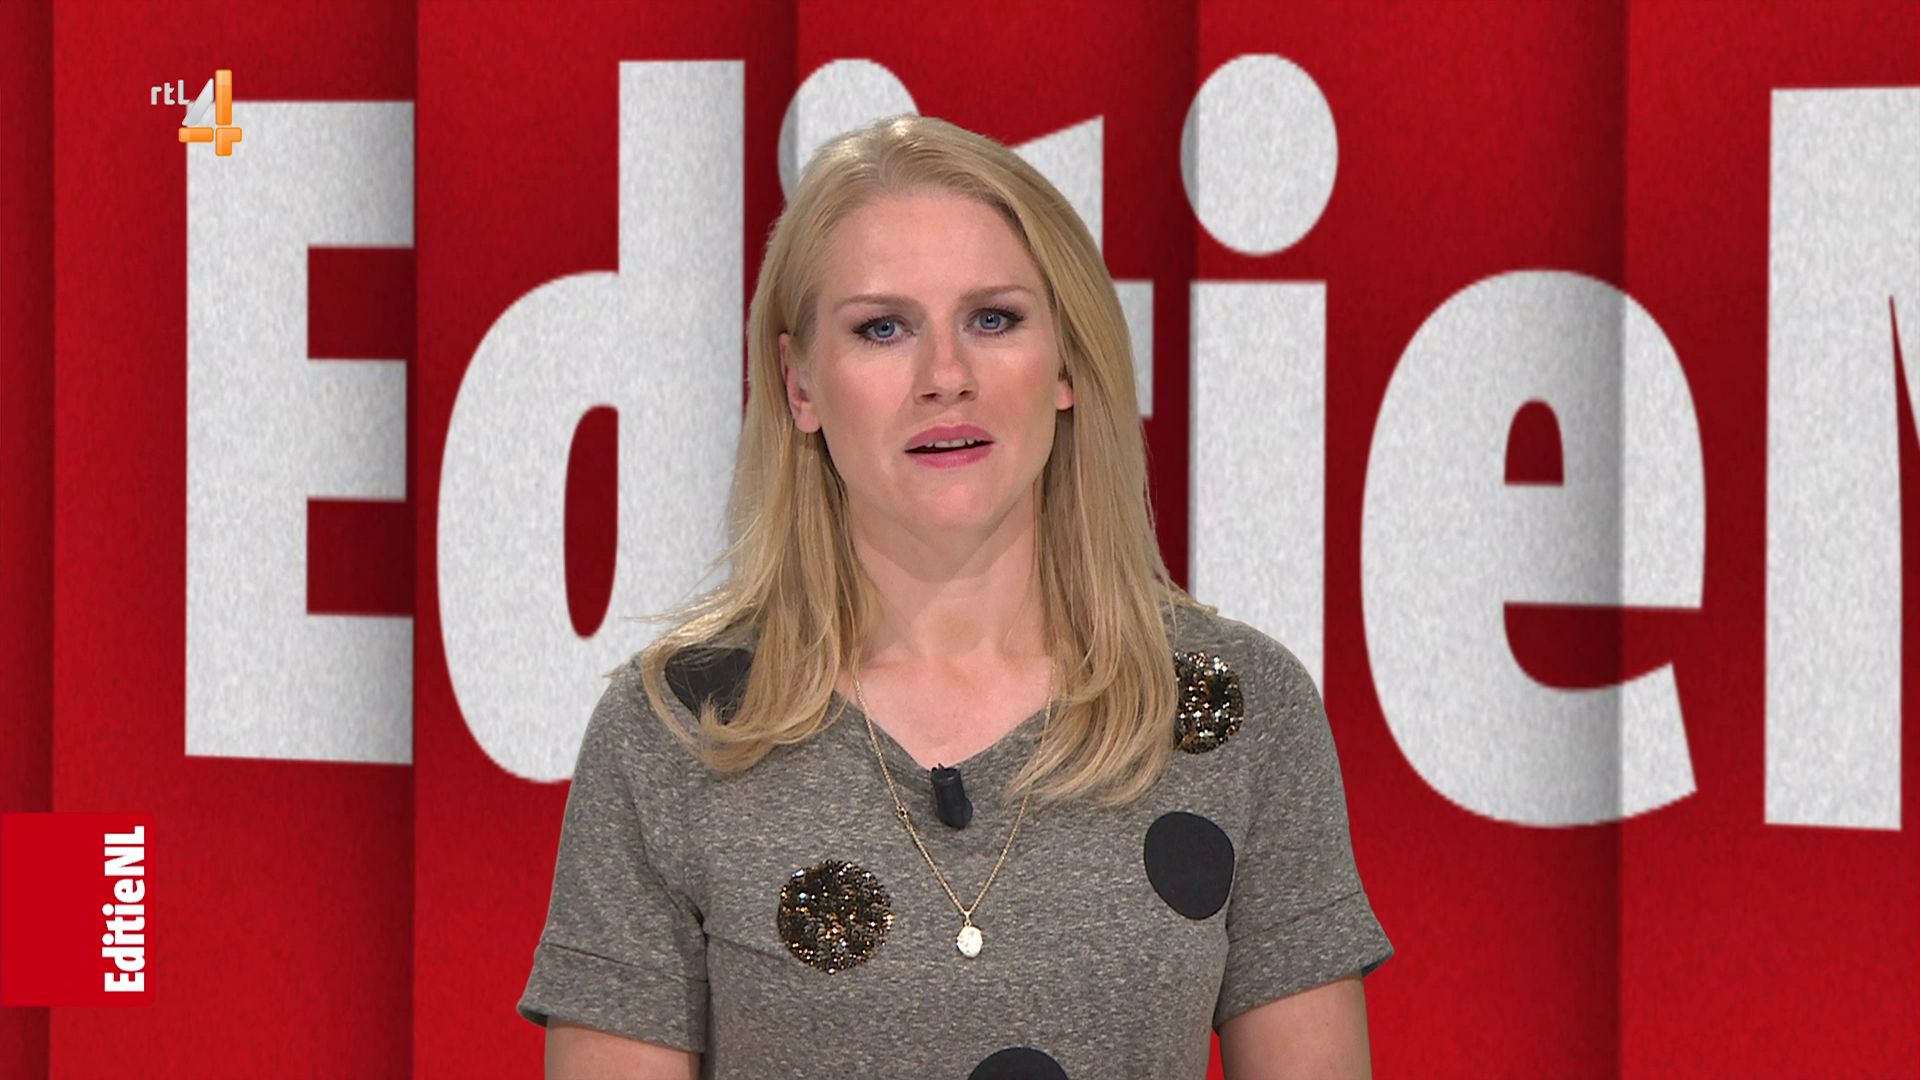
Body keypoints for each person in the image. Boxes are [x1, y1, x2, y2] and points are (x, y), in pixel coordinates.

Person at [516, 113, 1392, 1079]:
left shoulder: (1240, 710)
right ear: (800, 384)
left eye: (993, 319)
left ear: (1067, 364)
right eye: (882, 329)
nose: (945, 377)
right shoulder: (675, 733)